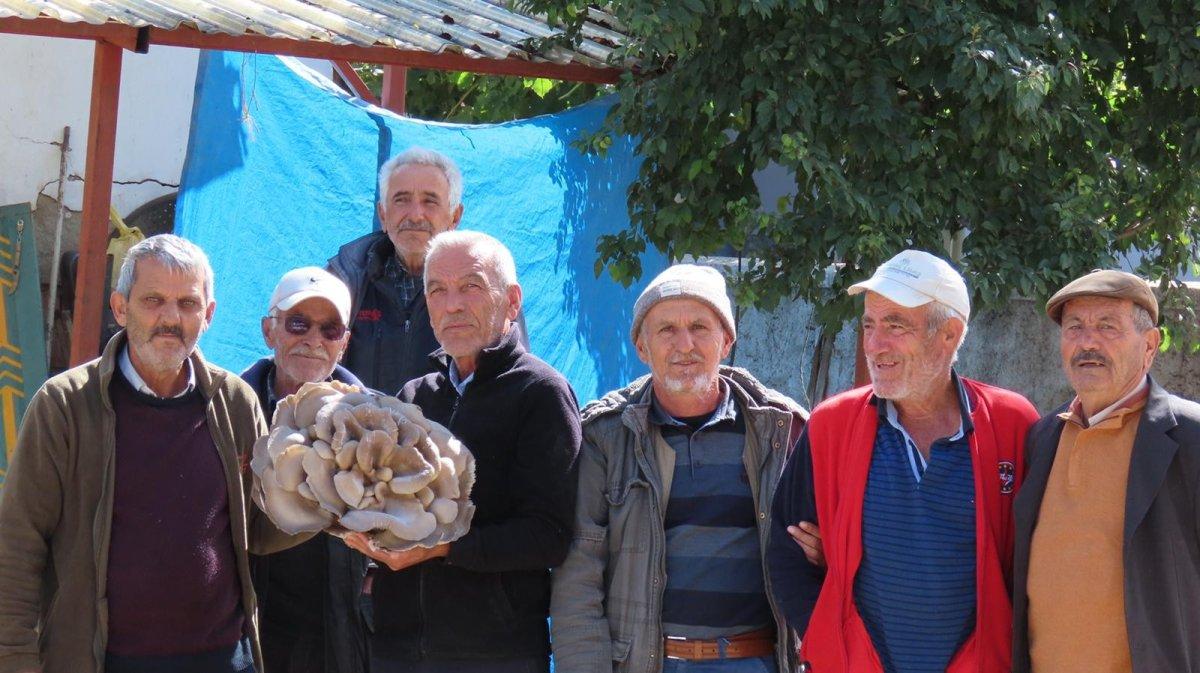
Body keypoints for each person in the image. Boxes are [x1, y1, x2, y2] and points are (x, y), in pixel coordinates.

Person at [0, 234, 297, 673]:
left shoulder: (234, 401)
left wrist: (325, 504)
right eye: (153, 300)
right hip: (104, 661)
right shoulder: (65, 405)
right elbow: (17, 544)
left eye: (188, 304)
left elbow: (259, 527)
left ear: (209, 315)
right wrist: (15, 659)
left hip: (222, 660)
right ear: (120, 308)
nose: (171, 319)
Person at [767, 249, 1039, 673]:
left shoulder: (1011, 424)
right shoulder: (831, 425)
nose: (875, 345)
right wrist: (832, 643)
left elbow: (1035, 567)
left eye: (896, 326)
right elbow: (786, 552)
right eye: (870, 325)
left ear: (949, 334)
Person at [551, 263, 808, 673]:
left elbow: (829, 553)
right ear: (642, 347)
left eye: (700, 328)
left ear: (726, 341)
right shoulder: (606, 436)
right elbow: (578, 579)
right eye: (666, 329)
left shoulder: (782, 429)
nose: (684, 344)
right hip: (648, 664)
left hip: (755, 662)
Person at [344, 231, 581, 673]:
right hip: (396, 647)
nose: (452, 304)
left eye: (471, 286)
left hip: (494, 654)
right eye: (436, 290)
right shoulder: (415, 396)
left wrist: (441, 549)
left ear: (511, 301)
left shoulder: (541, 393)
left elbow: (549, 535)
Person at [1011, 269, 1200, 673]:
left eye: (1107, 327)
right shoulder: (1043, 438)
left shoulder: (1190, 438)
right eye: (1074, 327)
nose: (1087, 342)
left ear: (1150, 345)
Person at [241, 267, 367, 673]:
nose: (313, 340)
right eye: (298, 323)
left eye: (329, 329)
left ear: (344, 343)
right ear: (269, 330)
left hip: (341, 638)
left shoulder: (378, 423)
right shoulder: (225, 415)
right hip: (245, 635)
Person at [327, 147, 463, 394]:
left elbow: (507, 382)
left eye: (429, 201)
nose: (415, 214)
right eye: (401, 200)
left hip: (449, 433)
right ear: (383, 214)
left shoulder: (481, 287)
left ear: (455, 217)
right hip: (356, 428)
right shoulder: (344, 279)